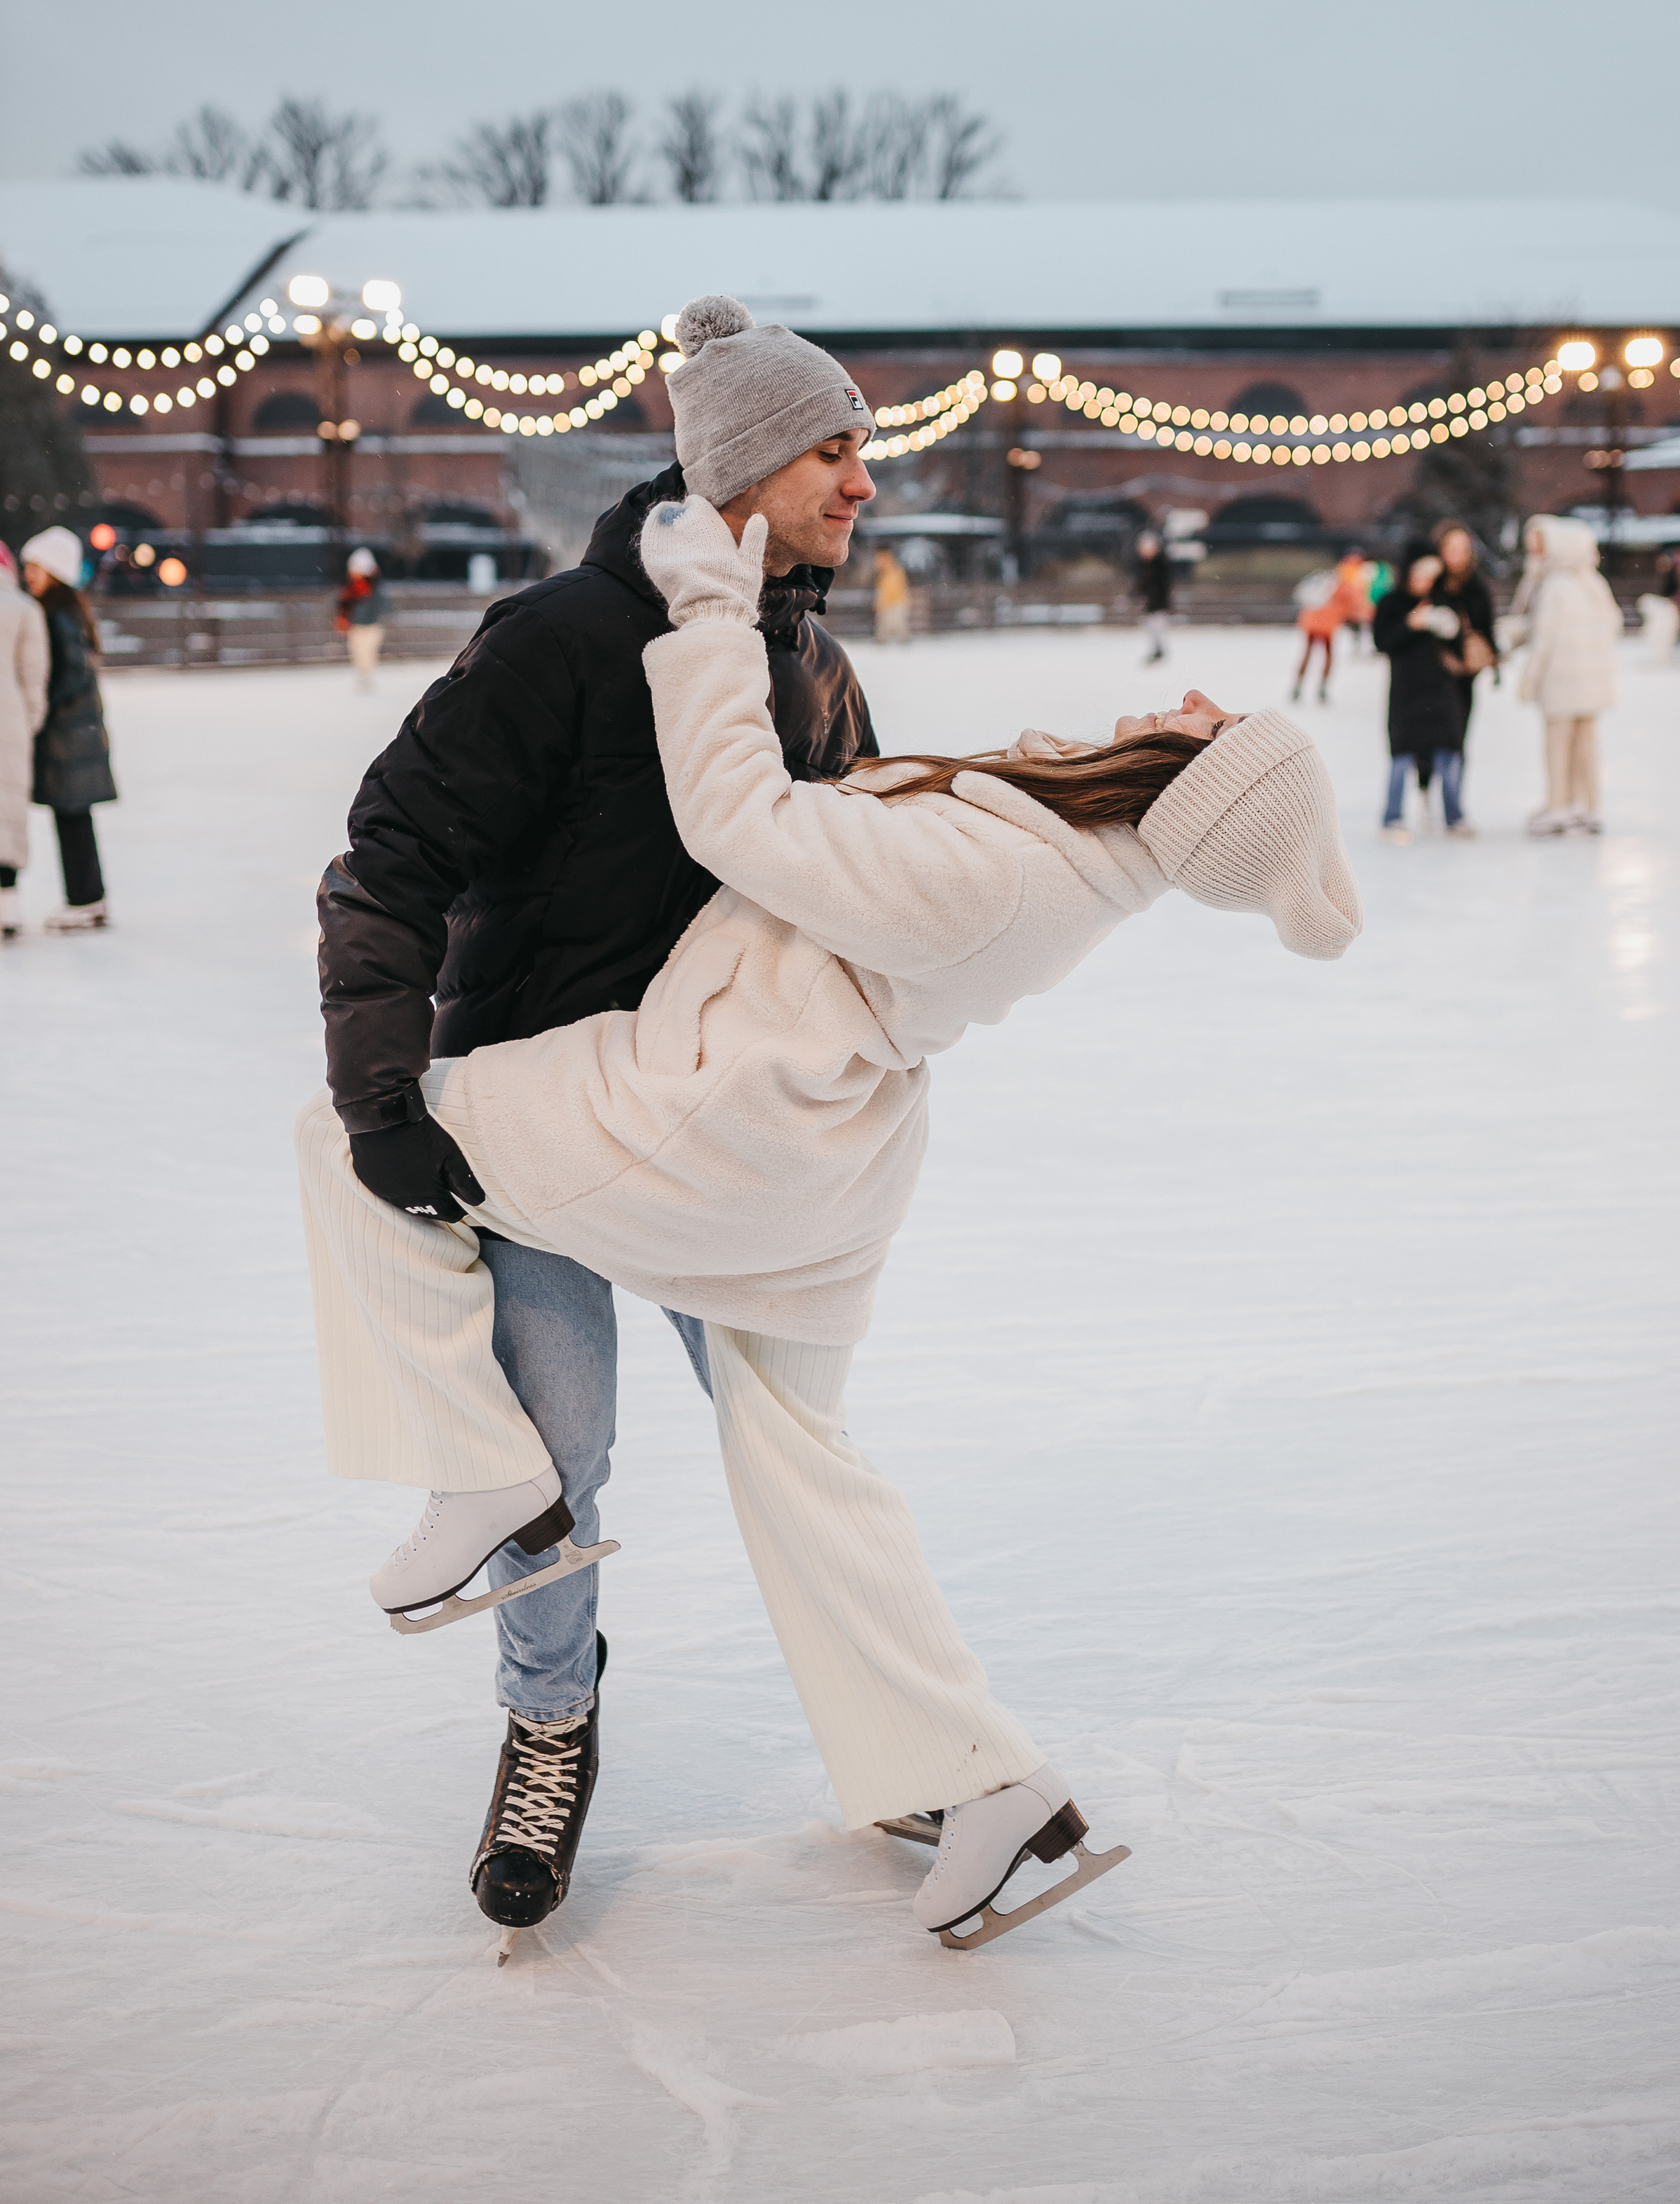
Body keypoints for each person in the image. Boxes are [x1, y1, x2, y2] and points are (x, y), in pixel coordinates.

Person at [297, 488, 1360, 1948]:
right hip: (782, 1149)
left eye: (1213, 723)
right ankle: (967, 1776)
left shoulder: (996, 865)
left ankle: (482, 1483)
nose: (1187, 697)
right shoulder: (1048, 828)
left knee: (364, 1170)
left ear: (1192, 788)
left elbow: (749, 825)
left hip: (689, 1118)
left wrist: (710, 615)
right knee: (798, 1466)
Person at [312, 294, 878, 1942]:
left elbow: (853, 897)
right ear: (746, 468)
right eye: (833, 450)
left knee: (799, 1449)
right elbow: (390, 854)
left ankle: (897, 1723)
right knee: (546, 1464)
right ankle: (549, 1723)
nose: (862, 482)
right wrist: (382, 1091)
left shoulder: (809, 662)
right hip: (549, 1127)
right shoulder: (564, 636)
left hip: (728, 1143)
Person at [20, 525, 116, 931]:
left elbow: (70, 673)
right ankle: (87, 897)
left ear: (54, 572)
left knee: (72, 817)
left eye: (35, 569)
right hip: (76, 734)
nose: (29, 577)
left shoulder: (56, 613)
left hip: (67, 735)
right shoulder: (68, 609)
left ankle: (84, 899)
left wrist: (40, 707)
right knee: (75, 818)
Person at [1507, 515, 1623, 835]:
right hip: (1592, 684)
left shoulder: (1555, 585)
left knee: (1557, 746)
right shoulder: (1593, 582)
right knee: (1586, 745)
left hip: (1560, 682)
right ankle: (1588, 806)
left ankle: (1558, 806)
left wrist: (1530, 678)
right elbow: (1613, 625)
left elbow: (1545, 638)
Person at [1373, 545, 1470, 839]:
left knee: (1449, 752)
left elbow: (1459, 647)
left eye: (1432, 576)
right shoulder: (1392, 602)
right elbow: (1382, 641)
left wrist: (1449, 628)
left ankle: (1454, 815)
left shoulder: (1443, 601)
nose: (1426, 582)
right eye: (1421, 575)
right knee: (1402, 755)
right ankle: (1392, 816)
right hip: (1406, 693)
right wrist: (1410, 624)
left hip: (1441, 691)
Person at [0, 542, 50, 942]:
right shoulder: (23, 608)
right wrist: (30, 719)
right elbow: (34, 674)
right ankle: (8, 906)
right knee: (8, 810)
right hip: (8, 719)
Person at [1431, 522, 1498, 749]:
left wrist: (1494, 659)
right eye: (1452, 548)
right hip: (1429, 670)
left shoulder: (1476, 586)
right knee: (1429, 737)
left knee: (1457, 735)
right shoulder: (1430, 582)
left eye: (1463, 549)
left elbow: (1486, 626)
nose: (1457, 556)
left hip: (1462, 672)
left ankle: (1454, 782)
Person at [1290, 560, 1354, 703]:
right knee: (1328, 656)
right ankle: (1322, 688)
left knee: (1307, 653)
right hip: (1328, 625)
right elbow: (1352, 604)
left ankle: (1298, 686)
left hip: (1310, 623)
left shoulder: (1318, 581)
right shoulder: (1342, 585)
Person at [334, 547, 389, 688]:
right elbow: (341, 605)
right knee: (358, 653)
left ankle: (367, 677)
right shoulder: (349, 590)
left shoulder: (375, 588)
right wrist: (342, 619)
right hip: (356, 627)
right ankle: (362, 677)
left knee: (369, 654)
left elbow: (386, 605)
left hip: (372, 626)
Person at [1134, 529, 1172, 663]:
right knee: (1151, 626)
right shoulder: (1146, 565)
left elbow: (1161, 585)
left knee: (1157, 626)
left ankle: (1159, 650)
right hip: (1152, 602)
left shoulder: (1159, 564)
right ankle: (1156, 649)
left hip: (1158, 602)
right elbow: (1143, 584)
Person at [872, 541, 912, 644]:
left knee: (898, 622)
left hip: (897, 598)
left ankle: (902, 639)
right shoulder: (889, 570)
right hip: (889, 599)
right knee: (885, 622)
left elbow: (901, 585)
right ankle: (883, 639)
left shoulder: (894, 569)